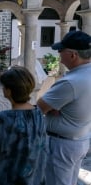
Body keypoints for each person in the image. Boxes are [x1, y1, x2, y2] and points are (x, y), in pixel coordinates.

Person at [37, 30, 91, 185]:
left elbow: (40, 107)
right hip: (81, 138)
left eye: (61, 51)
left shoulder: (71, 82)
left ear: (73, 55)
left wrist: (54, 107)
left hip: (62, 145)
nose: (59, 55)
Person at [0, 66, 48, 185]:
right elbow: (43, 151)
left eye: (4, 87)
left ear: (9, 91)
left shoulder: (3, 119)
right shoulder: (38, 114)